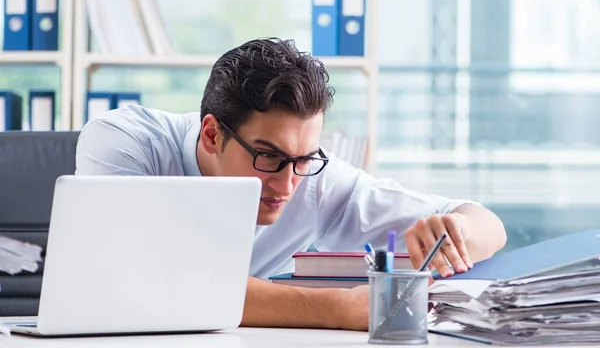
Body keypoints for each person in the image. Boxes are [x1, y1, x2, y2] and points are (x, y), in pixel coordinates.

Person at [75, 37, 506, 331]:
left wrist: (456, 231)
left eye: (302, 159)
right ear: (211, 134)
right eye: (268, 156)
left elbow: (489, 226)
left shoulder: (311, 177)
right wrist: (337, 310)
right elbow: (142, 278)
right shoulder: (125, 141)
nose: (286, 184)